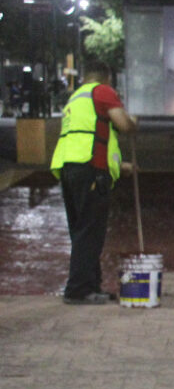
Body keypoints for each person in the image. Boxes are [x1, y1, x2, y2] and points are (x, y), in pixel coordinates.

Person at [50, 60, 137, 304]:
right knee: (90, 231)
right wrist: (134, 122)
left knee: (82, 231)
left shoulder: (76, 98)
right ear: (106, 78)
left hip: (69, 168)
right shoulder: (102, 92)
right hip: (90, 170)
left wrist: (120, 166)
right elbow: (123, 124)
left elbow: (90, 137)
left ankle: (90, 286)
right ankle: (78, 289)